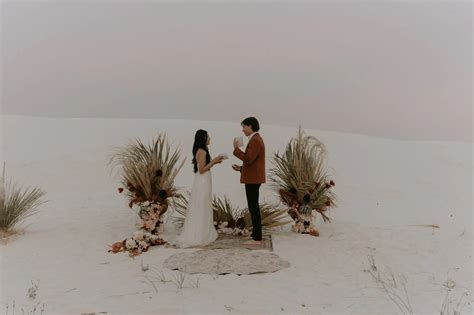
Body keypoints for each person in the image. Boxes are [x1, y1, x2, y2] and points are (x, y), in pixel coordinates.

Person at [176, 129, 224, 248]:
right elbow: (202, 169)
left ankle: (202, 230)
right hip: (203, 179)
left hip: (203, 179)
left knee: (202, 204)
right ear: (203, 139)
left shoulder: (202, 150)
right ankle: (201, 234)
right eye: (208, 137)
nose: (209, 139)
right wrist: (214, 161)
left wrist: (215, 162)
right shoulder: (202, 151)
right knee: (202, 204)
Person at [232, 117, 265, 246]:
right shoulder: (255, 139)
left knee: (253, 207)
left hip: (253, 180)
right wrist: (240, 168)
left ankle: (257, 237)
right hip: (253, 178)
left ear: (250, 126)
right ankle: (255, 235)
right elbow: (252, 162)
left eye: (244, 126)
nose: (243, 129)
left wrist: (236, 149)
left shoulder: (256, 140)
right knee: (253, 206)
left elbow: (249, 159)